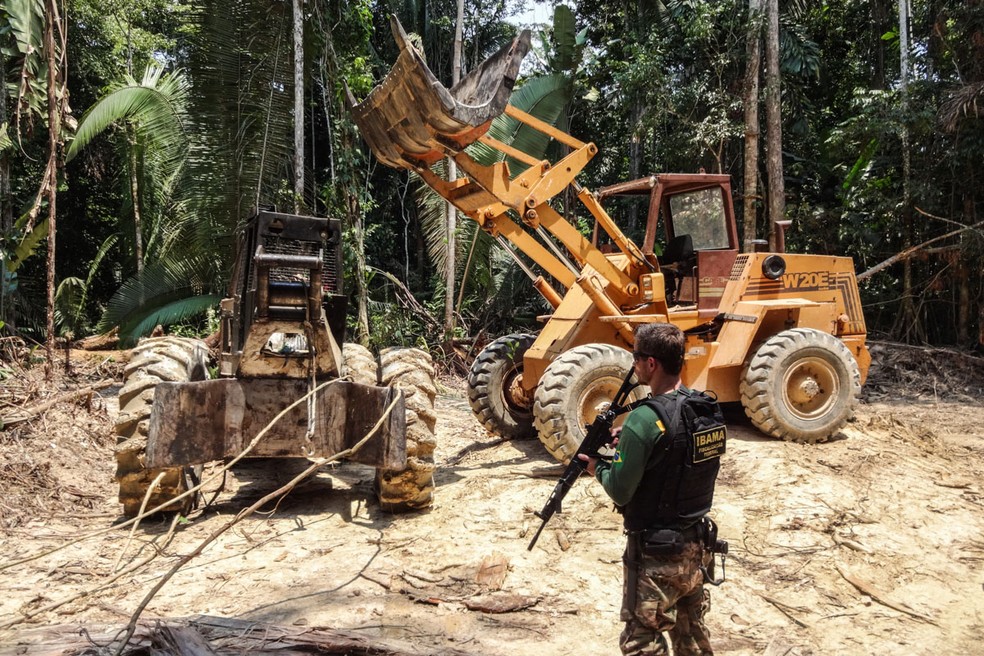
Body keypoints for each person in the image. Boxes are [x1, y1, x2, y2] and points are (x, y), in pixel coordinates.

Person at [579, 322, 724, 656]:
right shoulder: (702, 408)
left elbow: (620, 490)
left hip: (658, 554)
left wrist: (596, 467)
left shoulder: (644, 419)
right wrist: (634, 443)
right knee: (692, 637)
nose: (634, 364)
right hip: (698, 547)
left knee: (641, 640)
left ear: (651, 363)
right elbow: (677, 455)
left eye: (636, 357)